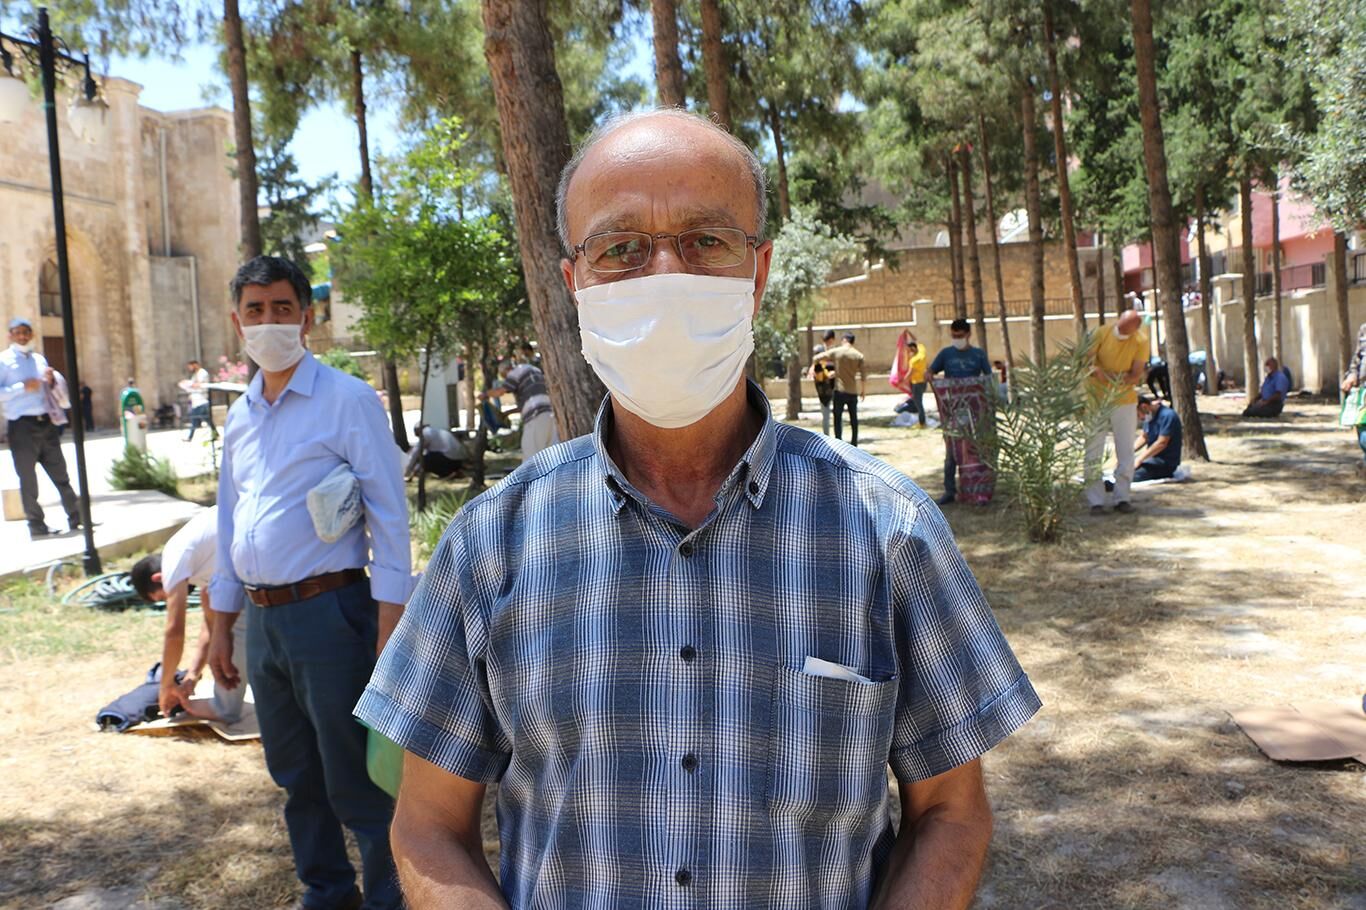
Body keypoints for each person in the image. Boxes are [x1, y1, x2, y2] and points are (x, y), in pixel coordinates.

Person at [356, 108, 1040, 910]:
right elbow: (428, 826)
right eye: (621, 248)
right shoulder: (490, 544)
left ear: (759, 271)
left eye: (706, 240)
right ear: (574, 282)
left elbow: (950, 813)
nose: (664, 275)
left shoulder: (889, 531)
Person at [207, 255, 411, 910]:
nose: (268, 322)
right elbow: (229, 519)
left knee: (357, 778)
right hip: (264, 623)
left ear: (307, 316)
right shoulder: (240, 417)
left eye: (282, 308)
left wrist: (390, 623)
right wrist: (221, 625)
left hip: (331, 614)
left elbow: (388, 514)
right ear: (237, 321)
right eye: (255, 310)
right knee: (295, 774)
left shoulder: (346, 400)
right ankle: (326, 893)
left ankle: (388, 898)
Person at [130, 507, 251, 723]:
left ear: (159, 578)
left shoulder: (174, 557)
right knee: (228, 627)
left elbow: (174, 632)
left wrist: (166, 686)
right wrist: (192, 676)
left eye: (162, 597)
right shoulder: (201, 566)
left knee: (234, 628)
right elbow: (211, 627)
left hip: (260, 539)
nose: (168, 601)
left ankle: (225, 709)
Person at [0, 316, 80, 539]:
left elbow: (48, 388)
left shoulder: (39, 359)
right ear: (10, 335)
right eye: (18, 332)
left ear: (32, 334)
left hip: (46, 423)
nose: (22, 336)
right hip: (21, 427)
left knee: (61, 474)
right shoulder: (4, 361)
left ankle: (76, 517)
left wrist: (51, 381)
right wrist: (21, 387)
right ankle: (36, 525)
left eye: (26, 332)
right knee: (28, 479)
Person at [1083, 309, 1148, 514]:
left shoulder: (1140, 341)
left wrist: (1106, 376)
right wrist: (1114, 376)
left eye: (1126, 330)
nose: (1120, 332)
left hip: (1125, 401)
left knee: (1126, 451)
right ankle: (1095, 501)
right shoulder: (1101, 333)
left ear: (1135, 329)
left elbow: (1135, 375)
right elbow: (1087, 363)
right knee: (1093, 450)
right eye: (1119, 327)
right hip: (1096, 400)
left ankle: (1123, 498)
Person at [929, 318, 993, 505]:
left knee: (976, 450)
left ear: (968, 334)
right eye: (954, 335)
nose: (957, 338)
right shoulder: (946, 354)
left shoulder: (978, 355)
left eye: (960, 335)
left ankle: (979, 490)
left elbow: (988, 379)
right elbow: (930, 372)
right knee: (952, 452)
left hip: (975, 414)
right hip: (953, 412)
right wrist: (932, 380)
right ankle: (950, 491)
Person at [483, 357, 560, 461]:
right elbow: (528, 402)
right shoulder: (534, 370)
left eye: (504, 376)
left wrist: (485, 395)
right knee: (550, 459)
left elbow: (500, 392)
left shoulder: (515, 372)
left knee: (530, 459)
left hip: (535, 417)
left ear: (507, 370)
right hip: (550, 416)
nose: (506, 379)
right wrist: (507, 413)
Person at [817, 331, 867, 445]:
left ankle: (839, 442)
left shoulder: (837, 351)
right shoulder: (858, 355)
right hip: (852, 391)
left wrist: (816, 368)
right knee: (853, 418)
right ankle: (854, 443)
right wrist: (863, 391)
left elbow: (819, 357)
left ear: (844, 340)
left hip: (839, 390)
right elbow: (863, 376)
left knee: (837, 418)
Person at [1133, 395, 1183, 482]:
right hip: (1151, 459)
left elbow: (1162, 443)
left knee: (1132, 476)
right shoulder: (1149, 417)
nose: (1139, 419)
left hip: (1165, 463)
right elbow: (1144, 437)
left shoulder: (1168, 416)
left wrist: (1140, 459)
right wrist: (1129, 452)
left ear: (1144, 407)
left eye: (1138, 415)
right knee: (1123, 470)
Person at [404, 423, 469, 480]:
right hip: (458, 462)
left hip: (449, 461)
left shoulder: (425, 433)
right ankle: (453, 471)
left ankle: (447, 473)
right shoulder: (435, 431)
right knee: (428, 456)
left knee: (425, 459)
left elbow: (416, 453)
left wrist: (407, 471)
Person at [1343, 321, 1366, 475]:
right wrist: (1352, 375)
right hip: (1363, 392)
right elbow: (1356, 360)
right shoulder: (1364, 329)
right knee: (1363, 434)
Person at [809, 329, 837, 436]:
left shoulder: (835, 352)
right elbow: (815, 366)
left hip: (835, 386)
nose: (827, 343)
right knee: (825, 414)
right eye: (826, 341)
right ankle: (827, 437)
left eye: (829, 341)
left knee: (836, 414)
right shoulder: (819, 351)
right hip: (823, 388)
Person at [182, 358, 214, 441]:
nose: (190, 369)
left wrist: (188, 384)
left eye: (190, 367)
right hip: (196, 400)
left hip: (202, 400)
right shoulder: (195, 375)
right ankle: (215, 434)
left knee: (194, 419)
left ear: (195, 365)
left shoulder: (202, 373)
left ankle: (190, 437)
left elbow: (199, 384)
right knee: (207, 420)